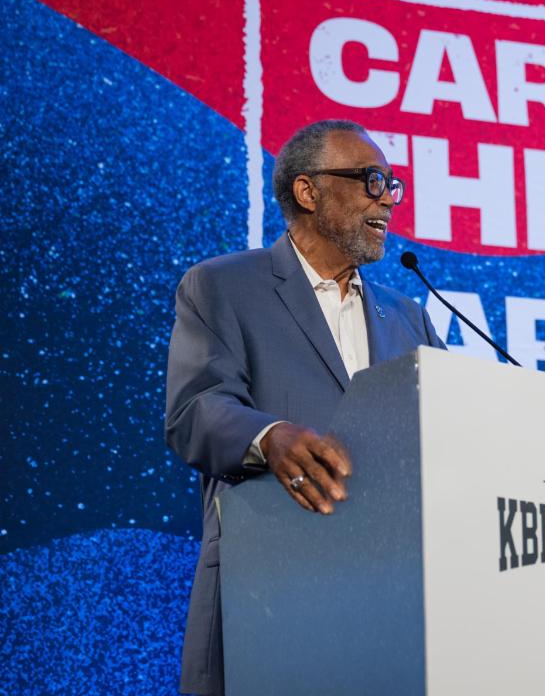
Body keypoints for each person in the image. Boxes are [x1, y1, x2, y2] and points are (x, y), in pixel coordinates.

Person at [165, 119, 445, 695]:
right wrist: (269, 437)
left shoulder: (409, 316)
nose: (386, 201)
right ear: (308, 191)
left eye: (392, 185)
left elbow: (451, 431)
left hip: (393, 600)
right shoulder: (223, 285)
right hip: (268, 589)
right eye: (370, 181)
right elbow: (195, 408)